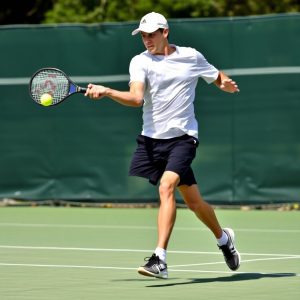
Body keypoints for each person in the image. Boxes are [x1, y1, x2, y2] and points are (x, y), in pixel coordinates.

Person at [85, 12, 241, 279]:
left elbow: (216, 76)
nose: (147, 40)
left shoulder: (191, 56)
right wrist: (109, 91)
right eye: (143, 35)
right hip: (151, 141)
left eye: (152, 34)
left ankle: (160, 259)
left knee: (166, 186)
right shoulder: (139, 62)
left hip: (183, 138)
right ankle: (224, 238)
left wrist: (224, 84)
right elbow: (136, 98)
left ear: (165, 32)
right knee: (194, 203)